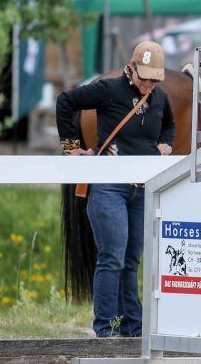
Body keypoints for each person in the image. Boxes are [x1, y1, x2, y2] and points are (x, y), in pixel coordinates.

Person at [56, 41, 175, 338]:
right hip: (109, 186)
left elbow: (169, 126)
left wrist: (165, 145)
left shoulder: (160, 98)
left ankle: (133, 328)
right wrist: (71, 147)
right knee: (112, 257)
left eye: (154, 78)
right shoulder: (109, 90)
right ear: (132, 67)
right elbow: (65, 101)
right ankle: (105, 328)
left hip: (140, 189)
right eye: (144, 76)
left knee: (131, 258)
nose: (148, 83)